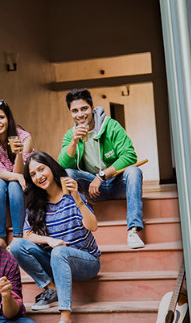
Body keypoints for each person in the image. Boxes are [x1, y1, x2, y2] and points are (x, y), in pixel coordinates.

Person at [10, 151, 101, 323]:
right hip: (57, 258)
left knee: (60, 253)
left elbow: (92, 226)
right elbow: (26, 234)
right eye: (33, 174)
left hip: (86, 261)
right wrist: (49, 240)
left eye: (41, 169)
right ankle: (51, 288)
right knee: (16, 245)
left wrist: (77, 197)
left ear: (51, 168)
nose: (38, 176)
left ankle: (66, 321)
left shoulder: (71, 192)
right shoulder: (37, 202)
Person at [58, 87, 145, 249]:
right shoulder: (71, 135)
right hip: (92, 189)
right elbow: (63, 167)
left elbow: (130, 156)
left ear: (92, 108)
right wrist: (73, 143)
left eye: (84, 108)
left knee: (134, 171)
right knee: (68, 174)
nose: (80, 114)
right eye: (75, 111)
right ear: (70, 113)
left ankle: (133, 230)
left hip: (116, 183)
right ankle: (73, 229)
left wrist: (101, 176)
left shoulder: (111, 126)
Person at [0, 98, 32, 247]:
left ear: (8, 117)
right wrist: (16, 176)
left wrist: (20, 153)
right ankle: (0, 236)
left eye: (1, 117)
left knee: (14, 185)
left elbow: (20, 172)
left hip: (20, 187)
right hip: (3, 184)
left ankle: (17, 235)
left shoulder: (24, 138)